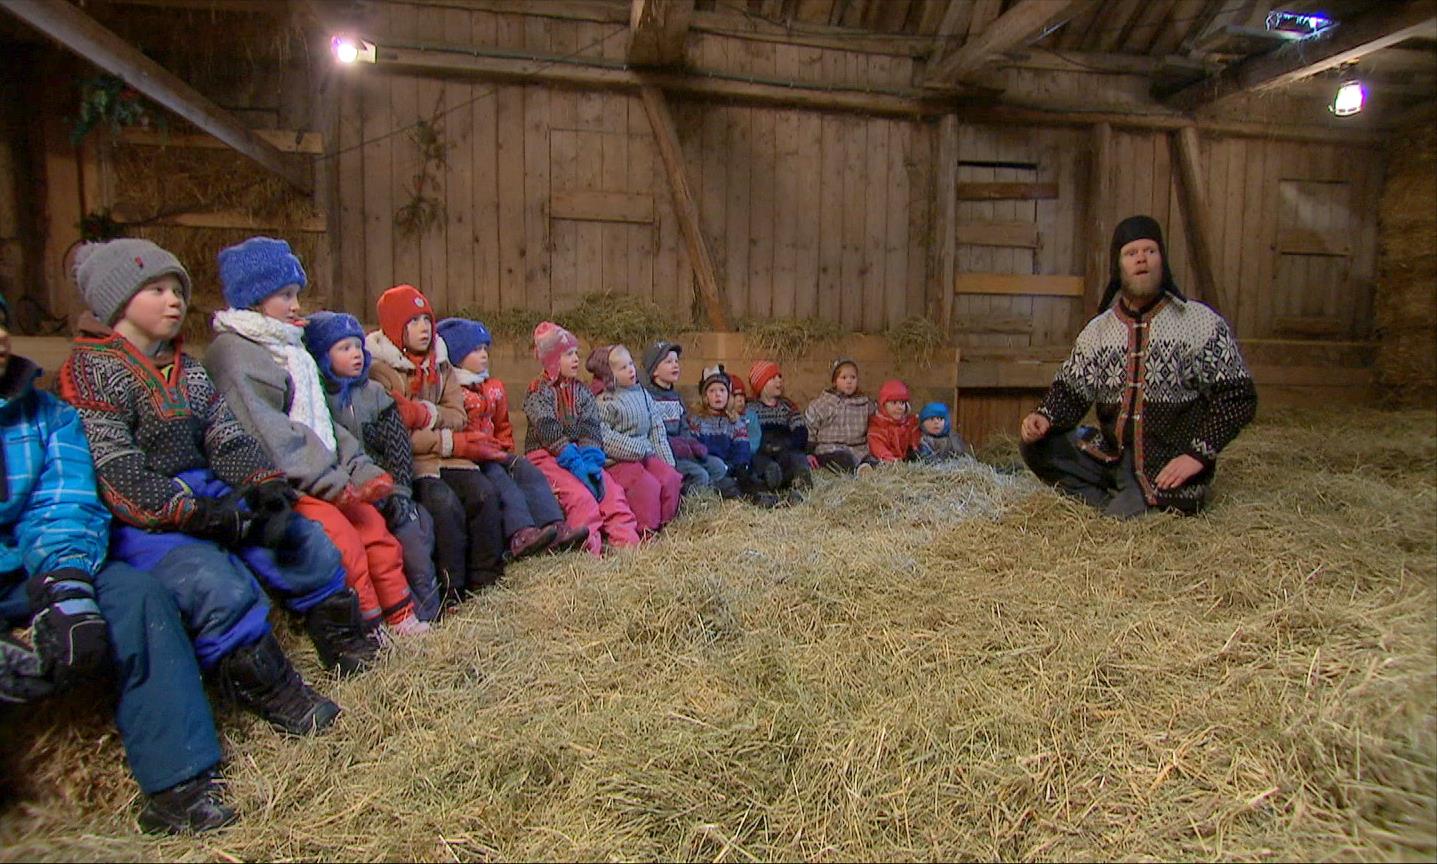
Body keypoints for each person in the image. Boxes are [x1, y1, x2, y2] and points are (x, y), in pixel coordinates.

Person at [57, 238, 371, 739]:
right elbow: (114, 467)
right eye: (156, 289)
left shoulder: (189, 368)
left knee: (300, 539)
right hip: (147, 519)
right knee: (213, 583)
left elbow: (223, 432)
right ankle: (269, 685)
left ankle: (344, 639)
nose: (174, 300)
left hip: (214, 493)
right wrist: (193, 513)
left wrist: (262, 484)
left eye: (177, 289)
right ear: (117, 300)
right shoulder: (93, 371)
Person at [0, 295, 233, 833]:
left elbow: (62, 501)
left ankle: (179, 782)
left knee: (137, 597)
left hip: (37, 562)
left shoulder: (45, 415)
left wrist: (67, 584)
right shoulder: (94, 376)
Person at [205, 238, 423, 638]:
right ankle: (367, 630)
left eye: (296, 295)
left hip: (325, 474)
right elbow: (272, 433)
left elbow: (323, 422)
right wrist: (333, 482)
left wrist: (362, 470)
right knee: (345, 543)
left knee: (375, 529)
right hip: (286, 482)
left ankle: (401, 617)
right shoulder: (237, 354)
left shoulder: (291, 350)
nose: (295, 305)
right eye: (285, 295)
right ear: (253, 297)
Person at [1019, 215, 1257, 517]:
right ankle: (1109, 500)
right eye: (1131, 253)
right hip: (1112, 458)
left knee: (1121, 525)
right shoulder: (1099, 331)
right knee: (1036, 446)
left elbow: (1238, 397)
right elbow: (1071, 391)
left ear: (1163, 261)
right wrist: (1044, 416)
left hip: (1167, 472)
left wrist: (1197, 455)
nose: (1141, 259)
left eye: (1150, 251)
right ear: (1119, 266)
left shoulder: (1199, 323)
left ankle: (1126, 508)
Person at [367, 285, 505, 605]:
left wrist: (423, 414)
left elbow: (457, 414)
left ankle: (487, 583)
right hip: (415, 465)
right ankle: (452, 591)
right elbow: (394, 433)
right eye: (413, 321)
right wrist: (442, 437)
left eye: (426, 319)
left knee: (485, 494)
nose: (424, 328)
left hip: (451, 456)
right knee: (444, 506)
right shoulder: (380, 370)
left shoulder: (440, 363)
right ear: (394, 327)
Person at [303, 311, 442, 622]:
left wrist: (401, 493)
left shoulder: (375, 394)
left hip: (388, 490)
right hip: (350, 493)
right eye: (343, 348)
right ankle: (390, 615)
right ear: (322, 356)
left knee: (416, 539)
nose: (355, 354)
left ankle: (430, 612)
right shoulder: (318, 402)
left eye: (357, 346)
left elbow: (398, 448)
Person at [435, 316, 588, 558]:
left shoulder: (493, 386)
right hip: (471, 457)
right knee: (504, 484)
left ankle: (555, 526)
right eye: (475, 350)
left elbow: (503, 424)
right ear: (457, 355)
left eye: (485, 348)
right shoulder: (453, 390)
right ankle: (521, 533)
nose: (484, 354)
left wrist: (506, 449)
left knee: (528, 472)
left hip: (496, 452)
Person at [522, 322, 640, 555]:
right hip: (547, 456)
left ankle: (630, 550)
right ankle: (587, 553)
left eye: (576, 353)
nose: (576, 359)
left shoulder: (582, 390)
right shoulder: (538, 391)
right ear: (552, 360)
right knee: (581, 499)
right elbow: (548, 430)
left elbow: (590, 427)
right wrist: (574, 462)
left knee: (612, 495)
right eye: (568, 354)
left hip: (579, 454)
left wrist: (592, 462)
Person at [587, 344, 684, 534]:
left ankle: (667, 526)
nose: (631, 370)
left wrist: (666, 460)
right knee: (646, 486)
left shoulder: (642, 393)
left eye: (631, 364)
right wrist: (637, 449)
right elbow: (603, 436)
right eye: (623, 368)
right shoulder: (604, 401)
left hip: (646, 453)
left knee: (670, 478)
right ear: (609, 374)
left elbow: (656, 427)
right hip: (619, 460)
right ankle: (646, 530)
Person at [641, 340, 733, 497]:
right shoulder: (648, 398)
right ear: (654, 370)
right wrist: (674, 444)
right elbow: (651, 434)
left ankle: (709, 496)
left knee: (717, 466)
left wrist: (692, 443)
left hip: (683, 452)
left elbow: (684, 427)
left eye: (676, 361)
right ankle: (690, 505)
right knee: (700, 475)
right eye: (669, 362)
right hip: (665, 456)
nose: (675, 365)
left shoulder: (676, 398)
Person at [689, 364, 780, 508]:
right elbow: (695, 450)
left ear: (728, 395)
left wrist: (739, 466)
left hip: (732, 468)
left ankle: (768, 496)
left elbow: (742, 449)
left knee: (749, 477)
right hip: (712, 470)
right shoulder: (698, 422)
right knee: (729, 487)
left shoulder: (735, 422)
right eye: (712, 391)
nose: (717, 395)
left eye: (722, 390)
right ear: (705, 396)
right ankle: (749, 500)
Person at [747, 360, 812, 501]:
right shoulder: (751, 409)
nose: (779, 381)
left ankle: (800, 482)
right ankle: (768, 484)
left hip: (785, 448)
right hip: (762, 449)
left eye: (779, 377)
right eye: (772, 378)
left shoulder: (787, 406)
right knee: (756, 462)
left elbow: (800, 430)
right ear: (761, 385)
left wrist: (789, 444)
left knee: (797, 458)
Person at [804, 357, 877, 474]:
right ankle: (857, 471)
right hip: (830, 449)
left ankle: (864, 469)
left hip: (858, 449)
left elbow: (876, 423)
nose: (849, 381)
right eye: (843, 378)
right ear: (834, 381)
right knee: (843, 460)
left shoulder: (865, 404)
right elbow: (810, 427)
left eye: (853, 377)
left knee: (874, 461)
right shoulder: (822, 404)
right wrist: (808, 452)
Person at [867, 379, 920, 463]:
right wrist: (893, 461)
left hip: (906, 465)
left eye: (902, 403)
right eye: (894, 403)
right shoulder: (878, 427)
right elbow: (878, 448)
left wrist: (914, 449)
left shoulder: (909, 424)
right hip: (887, 463)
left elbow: (915, 441)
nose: (899, 407)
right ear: (883, 405)